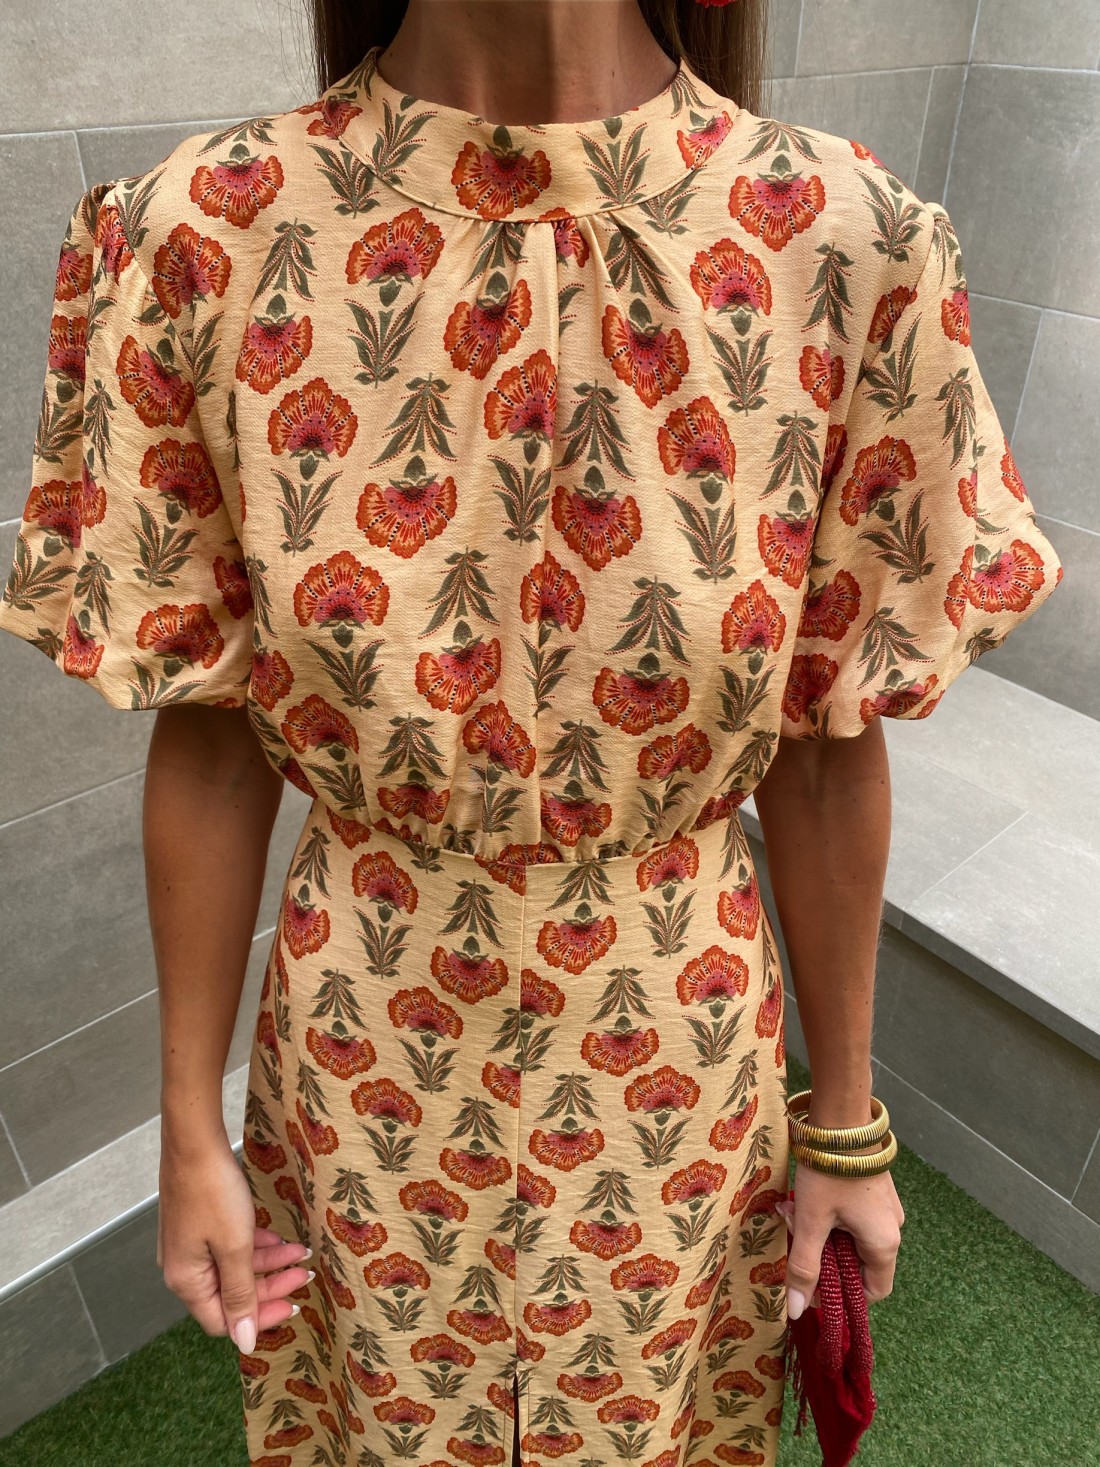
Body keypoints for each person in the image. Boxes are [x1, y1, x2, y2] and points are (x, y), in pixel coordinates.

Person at [0, 2, 1064, 1464]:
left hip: (678, 1054)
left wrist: (844, 1123)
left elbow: (826, 745)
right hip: (366, 1047)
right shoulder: (203, 233)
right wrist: (190, 1123)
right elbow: (211, 735)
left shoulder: (843, 240)